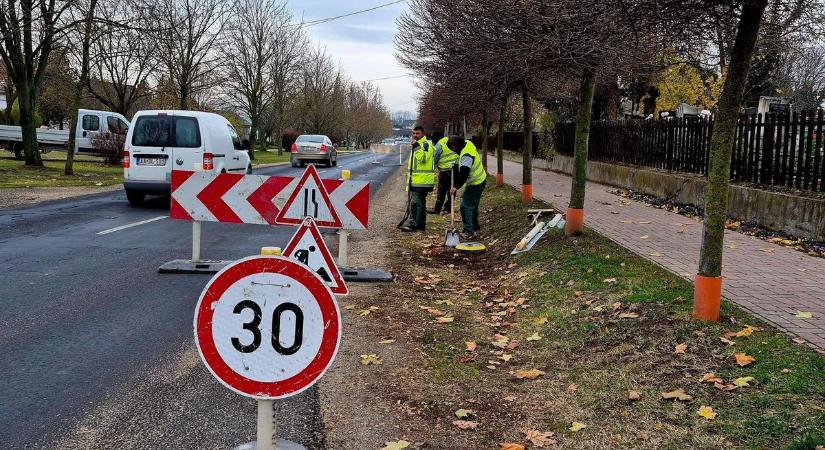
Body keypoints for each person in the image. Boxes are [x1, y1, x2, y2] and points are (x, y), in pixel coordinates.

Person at [448, 135, 486, 240]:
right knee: (472, 206)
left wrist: (456, 186)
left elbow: (464, 173)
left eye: (454, 147)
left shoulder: (466, 155)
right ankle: (475, 227)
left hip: (476, 183)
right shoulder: (468, 144)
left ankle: (469, 231)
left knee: (466, 206)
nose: (453, 150)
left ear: (459, 145)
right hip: (480, 180)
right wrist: (455, 165)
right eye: (451, 148)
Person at [400, 126, 435, 232]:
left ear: (423, 134)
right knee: (420, 203)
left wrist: (416, 146)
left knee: (417, 203)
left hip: (422, 181)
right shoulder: (420, 145)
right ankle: (420, 224)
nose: (415, 136)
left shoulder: (425, 145)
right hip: (418, 180)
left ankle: (414, 224)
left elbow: (423, 159)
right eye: (414, 133)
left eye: (418, 133)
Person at [427, 136, 459, 215]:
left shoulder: (440, 143)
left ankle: (437, 209)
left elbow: (435, 157)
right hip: (455, 169)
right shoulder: (453, 141)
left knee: (441, 190)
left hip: (444, 171)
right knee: (451, 190)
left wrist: (432, 168)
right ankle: (448, 208)